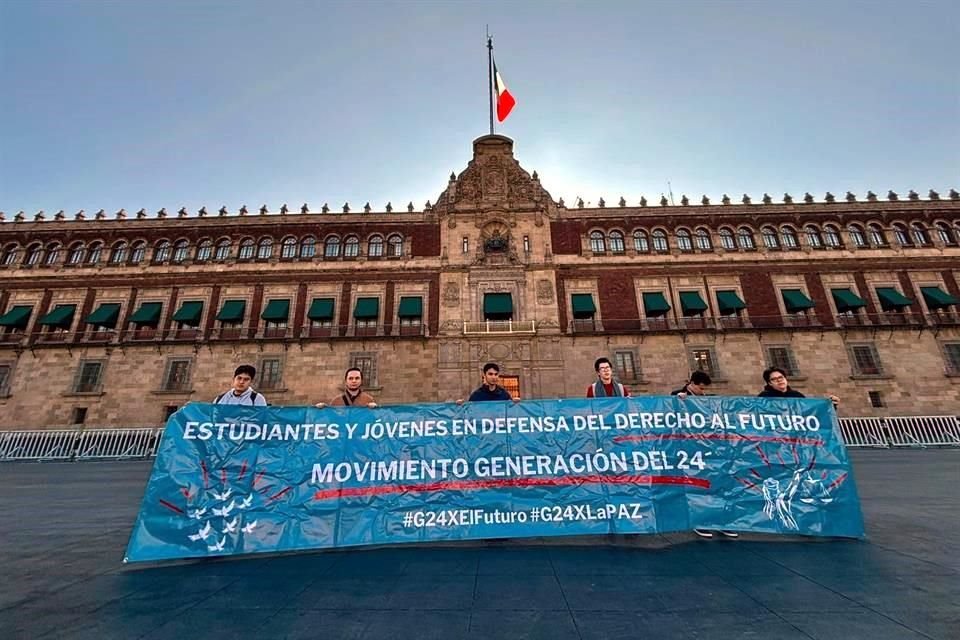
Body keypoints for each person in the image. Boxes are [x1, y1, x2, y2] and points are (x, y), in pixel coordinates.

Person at [669, 370, 736, 539]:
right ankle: (700, 522)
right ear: (692, 383)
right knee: (696, 486)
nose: (702, 391)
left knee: (716, 483)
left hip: (708, 447)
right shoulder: (676, 395)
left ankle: (721, 522)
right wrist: (679, 401)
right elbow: (670, 414)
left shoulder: (708, 398)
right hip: (689, 449)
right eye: (700, 388)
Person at [758, 367, 840, 407]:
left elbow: (811, 411)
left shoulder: (797, 395)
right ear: (769, 383)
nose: (779, 380)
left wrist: (831, 405)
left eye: (781, 377)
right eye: (774, 379)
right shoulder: (763, 397)